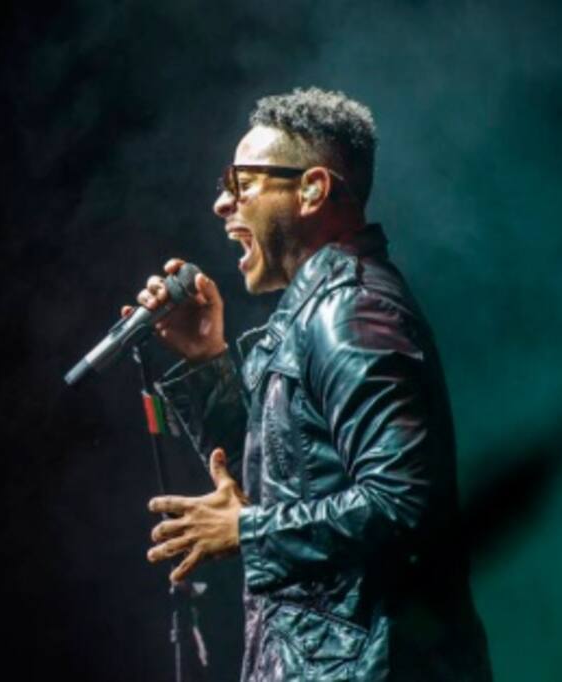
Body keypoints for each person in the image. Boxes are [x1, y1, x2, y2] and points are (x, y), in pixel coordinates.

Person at [130, 87, 492, 681]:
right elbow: (282, 481)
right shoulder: (314, 312)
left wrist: (246, 530)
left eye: (242, 182)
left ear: (312, 190)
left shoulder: (352, 310)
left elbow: (403, 505)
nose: (222, 202)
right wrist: (206, 361)